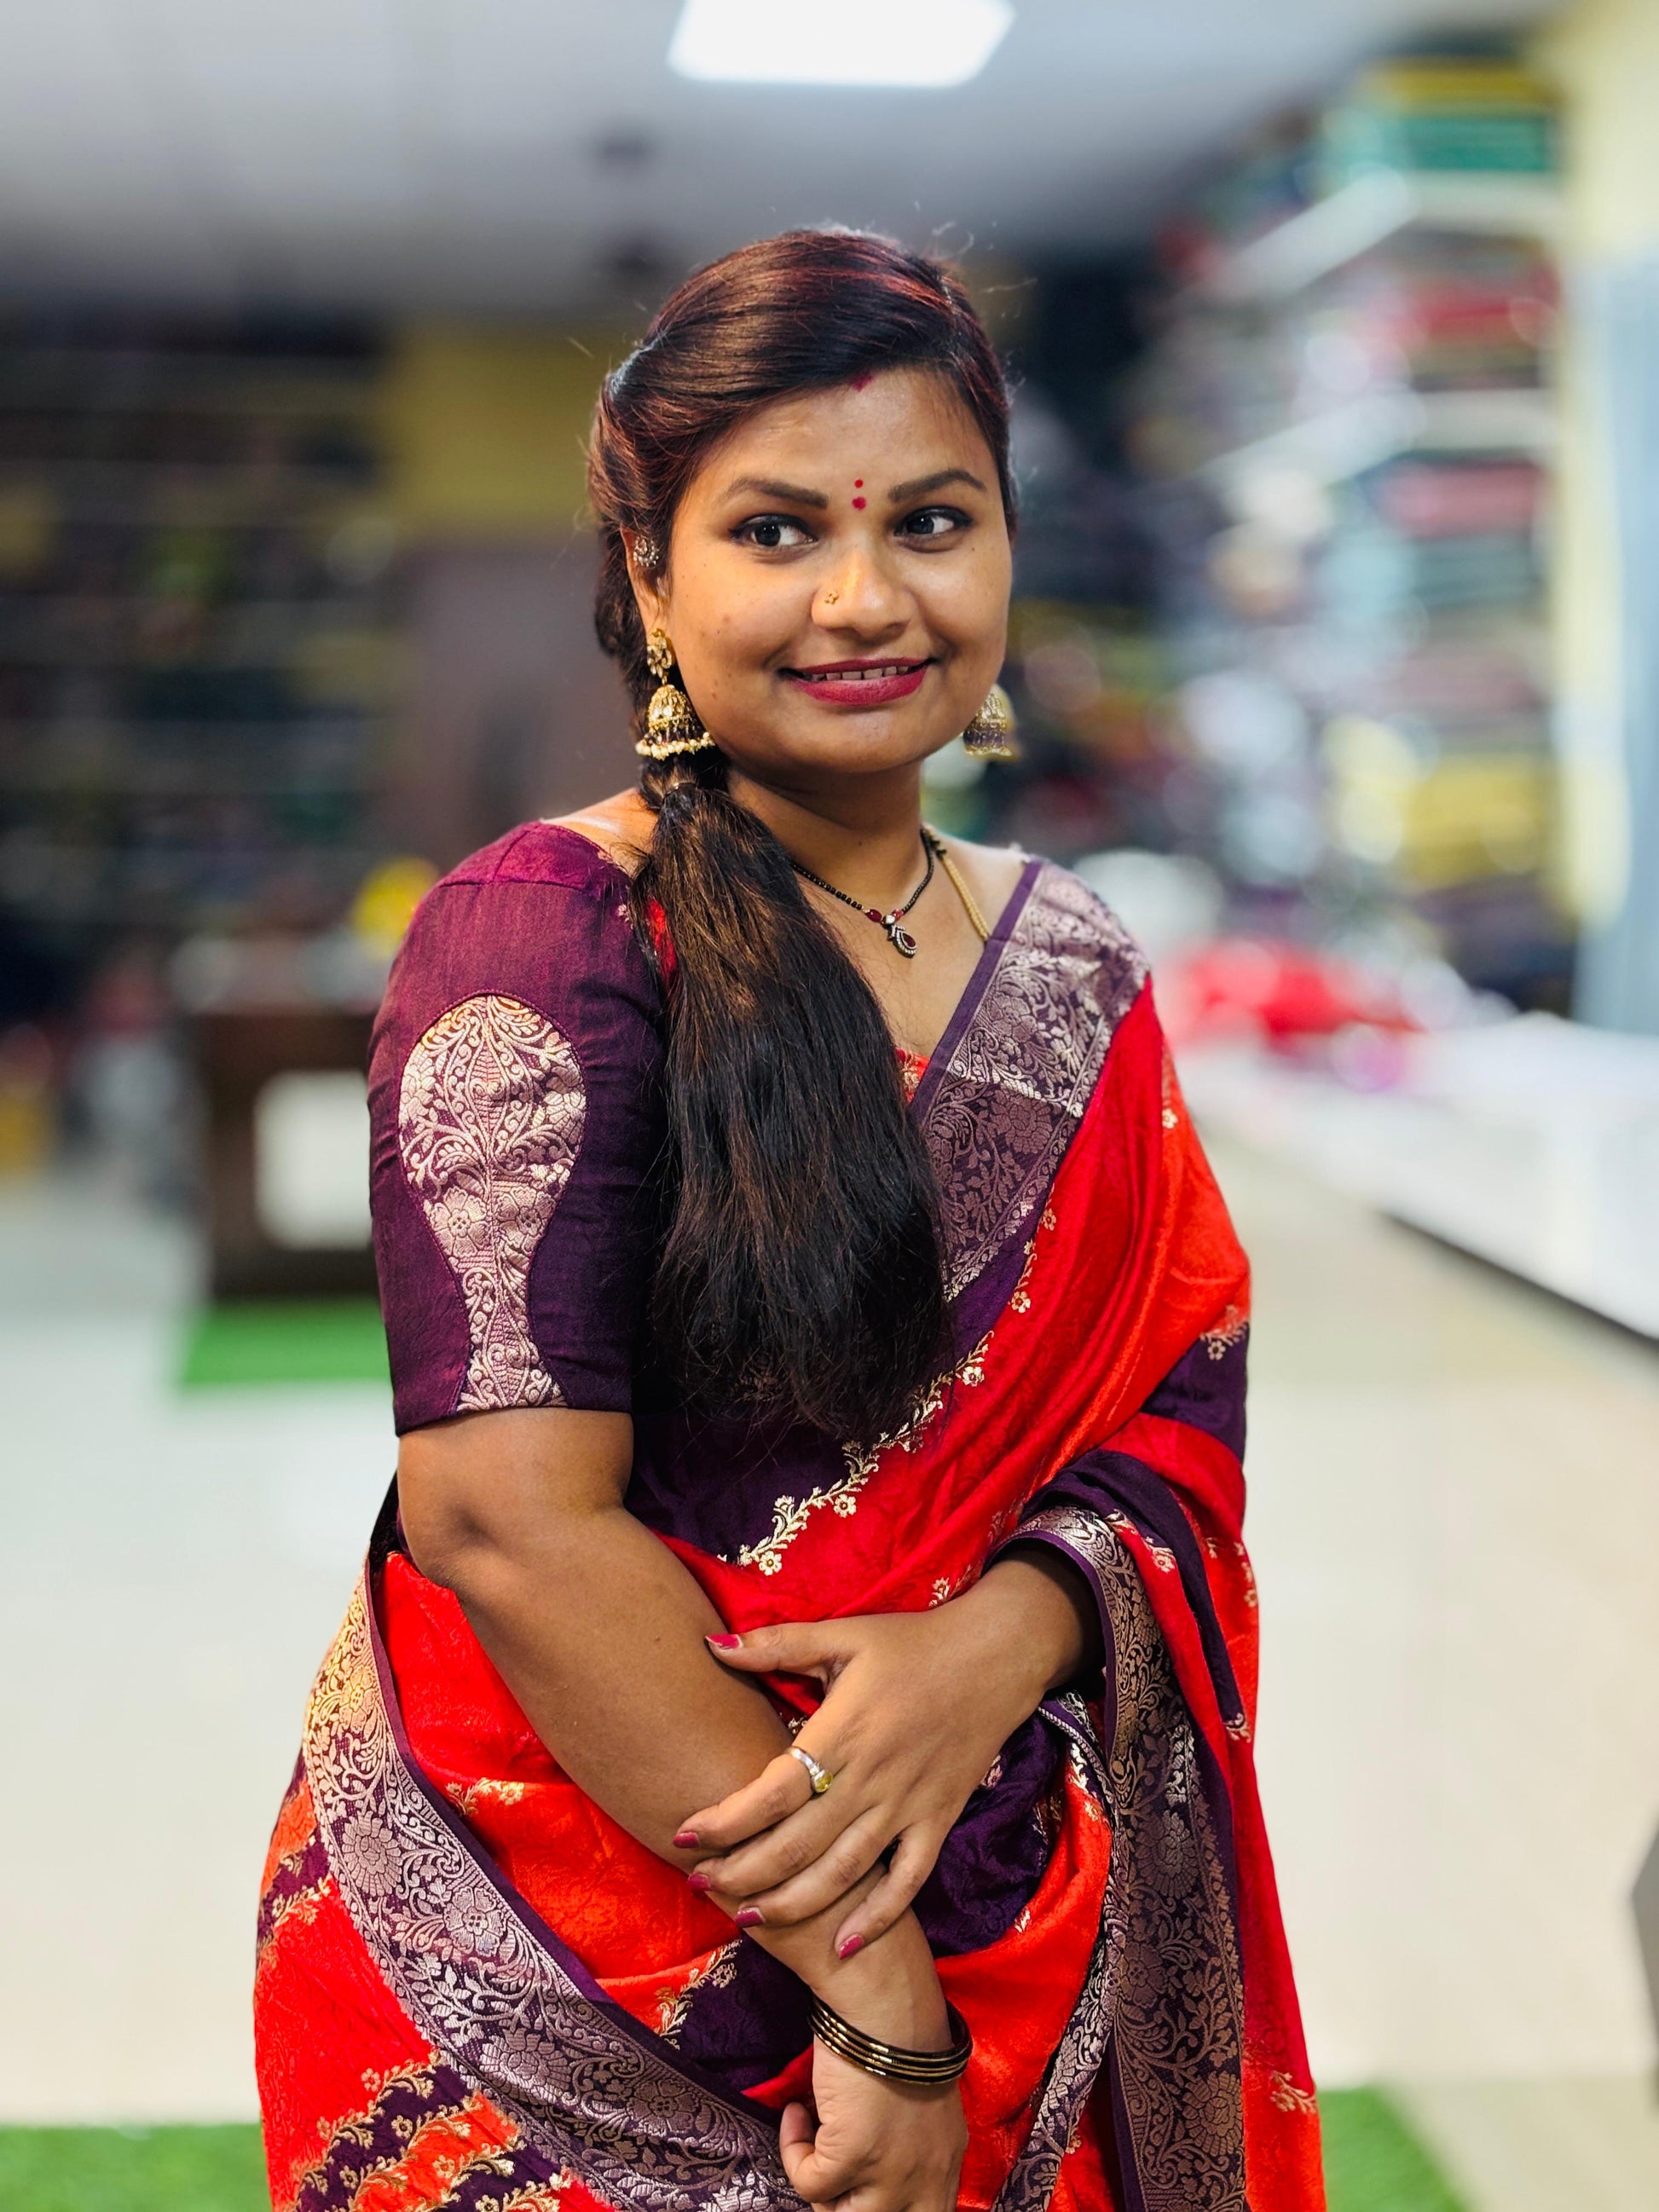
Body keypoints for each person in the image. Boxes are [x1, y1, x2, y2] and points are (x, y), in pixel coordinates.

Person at [254, 228, 1325, 2212]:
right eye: (774, 530)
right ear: (652, 577)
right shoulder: (537, 936)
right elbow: (508, 1522)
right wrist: (876, 1988)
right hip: (587, 1940)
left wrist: (993, 1643)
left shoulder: (1076, 957)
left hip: (1015, 1863)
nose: (865, 597)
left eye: (932, 519)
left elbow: (1178, 1403)